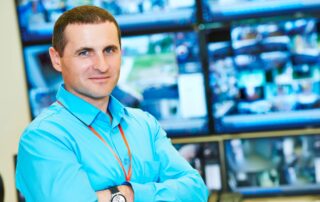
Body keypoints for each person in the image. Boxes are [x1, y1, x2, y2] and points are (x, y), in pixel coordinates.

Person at [16, 5, 209, 202]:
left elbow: (196, 190)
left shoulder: (144, 124)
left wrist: (127, 194)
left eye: (109, 50)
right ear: (57, 59)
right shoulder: (43, 137)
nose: (102, 65)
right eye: (84, 52)